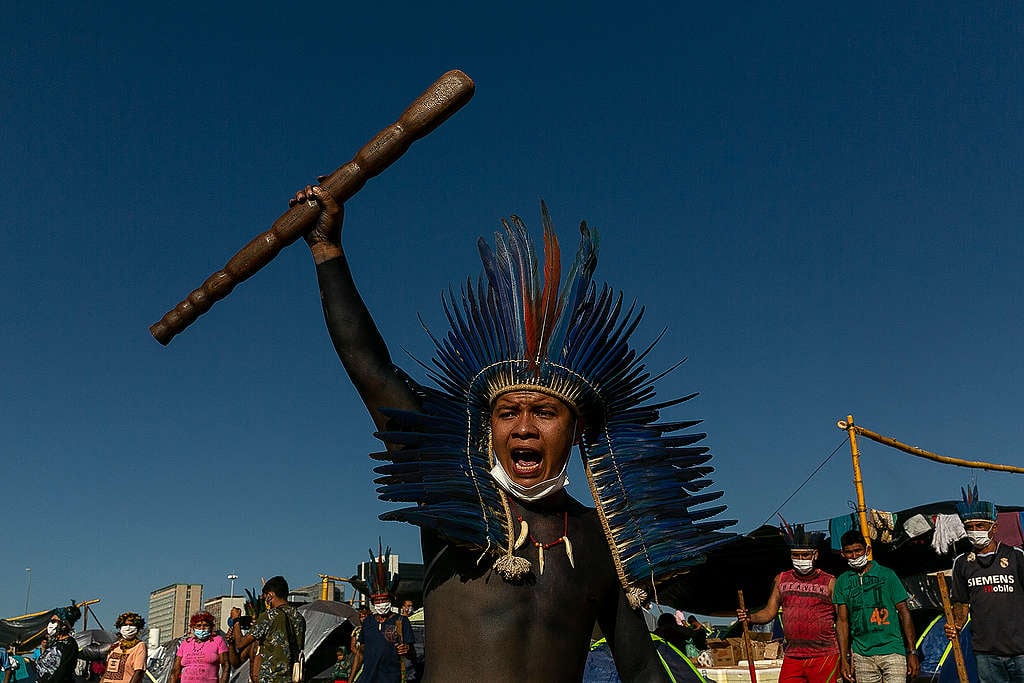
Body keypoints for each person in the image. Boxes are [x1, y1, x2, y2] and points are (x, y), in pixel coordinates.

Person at [292, 180, 732, 682]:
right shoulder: (454, 506)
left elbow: (642, 671)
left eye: (544, 413)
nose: (523, 428)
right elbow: (372, 369)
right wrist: (328, 251)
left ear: (575, 428)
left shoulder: (598, 541)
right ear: (490, 425)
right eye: (508, 413)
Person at [737, 526, 839, 683]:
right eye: (795, 555)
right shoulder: (781, 579)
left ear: (815, 555)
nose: (800, 559)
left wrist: (846, 654)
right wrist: (750, 617)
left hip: (824, 655)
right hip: (793, 655)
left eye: (805, 555)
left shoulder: (830, 582)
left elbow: (842, 620)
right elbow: (769, 612)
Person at [945, 485, 1024, 683]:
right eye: (969, 527)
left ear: (994, 527)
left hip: (1021, 649)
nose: (974, 531)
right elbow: (961, 602)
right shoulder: (962, 563)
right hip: (985, 652)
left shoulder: (1015, 556)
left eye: (980, 526)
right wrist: (955, 624)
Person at [832, 530, 918, 683]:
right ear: (843, 554)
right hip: (861, 654)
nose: (854, 556)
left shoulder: (887, 575)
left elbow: (903, 612)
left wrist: (912, 651)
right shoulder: (842, 582)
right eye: (849, 552)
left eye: (858, 550)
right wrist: (844, 658)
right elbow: (842, 621)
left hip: (892, 650)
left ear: (867, 550)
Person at [349, 545, 415, 683]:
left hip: (391, 679)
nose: (381, 604)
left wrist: (406, 649)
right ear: (373, 603)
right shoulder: (368, 622)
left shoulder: (401, 621)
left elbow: (411, 652)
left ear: (390, 600)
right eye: (377, 601)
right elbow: (360, 653)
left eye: (384, 600)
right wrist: (351, 679)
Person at [231, 577, 305, 683]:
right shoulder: (299, 617)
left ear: (270, 595)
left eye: (265, 597)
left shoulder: (269, 616)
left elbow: (240, 644)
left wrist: (236, 620)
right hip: (292, 677)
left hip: (271, 678)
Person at [170, 612, 228, 683]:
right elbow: (175, 670)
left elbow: (225, 665)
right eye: (198, 626)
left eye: (205, 625)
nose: (202, 628)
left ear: (211, 627)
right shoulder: (185, 643)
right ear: (193, 627)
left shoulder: (218, 640)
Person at [33, 608, 80, 683]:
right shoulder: (54, 643)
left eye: (54, 621)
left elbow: (63, 670)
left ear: (64, 625)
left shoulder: (69, 644)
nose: (50, 624)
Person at [101, 612, 147, 683]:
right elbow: (107, 670)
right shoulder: (115, 645)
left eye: (131, 625)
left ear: (138, 628)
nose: (128, 627)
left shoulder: (140, 646)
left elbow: (139, 672)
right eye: (125, 625)